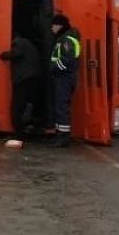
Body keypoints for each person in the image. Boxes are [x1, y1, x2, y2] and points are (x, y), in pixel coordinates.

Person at [49, 13, 81, 147]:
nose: (51, 28)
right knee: (59, 106)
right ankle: (59, 133)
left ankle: (63, 137)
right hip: (63, 78)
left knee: (62, 107)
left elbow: (67, 60)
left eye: (53, 25)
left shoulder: (66, 40)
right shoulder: (65, 38)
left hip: (64, 78)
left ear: (59, 25)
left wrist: (54, 68)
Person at [0, 33, 44, 132]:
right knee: (29, 106)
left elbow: (16, 53)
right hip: (33, 78)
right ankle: (30, 126)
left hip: (24, 80)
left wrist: (4, 55)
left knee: (17, 108)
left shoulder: (19, 42)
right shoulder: (29, 44)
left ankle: (19, 133)